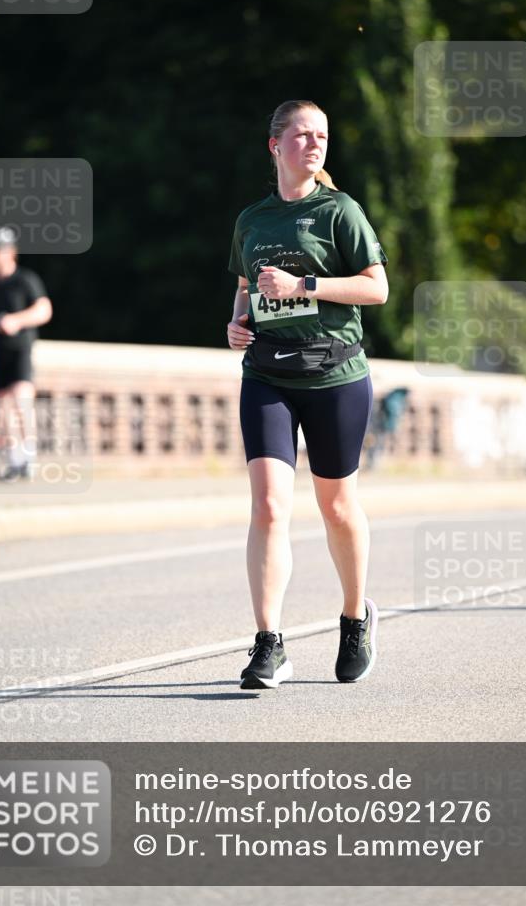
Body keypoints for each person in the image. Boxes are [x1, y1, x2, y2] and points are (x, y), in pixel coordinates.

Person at [227, 99, 389, 690]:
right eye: (302, 135)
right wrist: (237, 322)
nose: (314, 144)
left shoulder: (340, 212)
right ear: (276, 146)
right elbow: (247, 288)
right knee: (269, 505)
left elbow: (378, 289)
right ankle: (268, 644)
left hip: (335, 376)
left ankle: (355, 616)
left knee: (336, 507)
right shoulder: (252, 219)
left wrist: (307, 285)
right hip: (267, 374)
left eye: (322, 135)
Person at [0, 226, 53, 480]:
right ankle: (15, 460)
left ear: (10, 253)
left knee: (21, 400)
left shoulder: (25, 280)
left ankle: (29, 457)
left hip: (20, 350)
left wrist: (16, 320)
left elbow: (44, 310)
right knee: (3, 406)